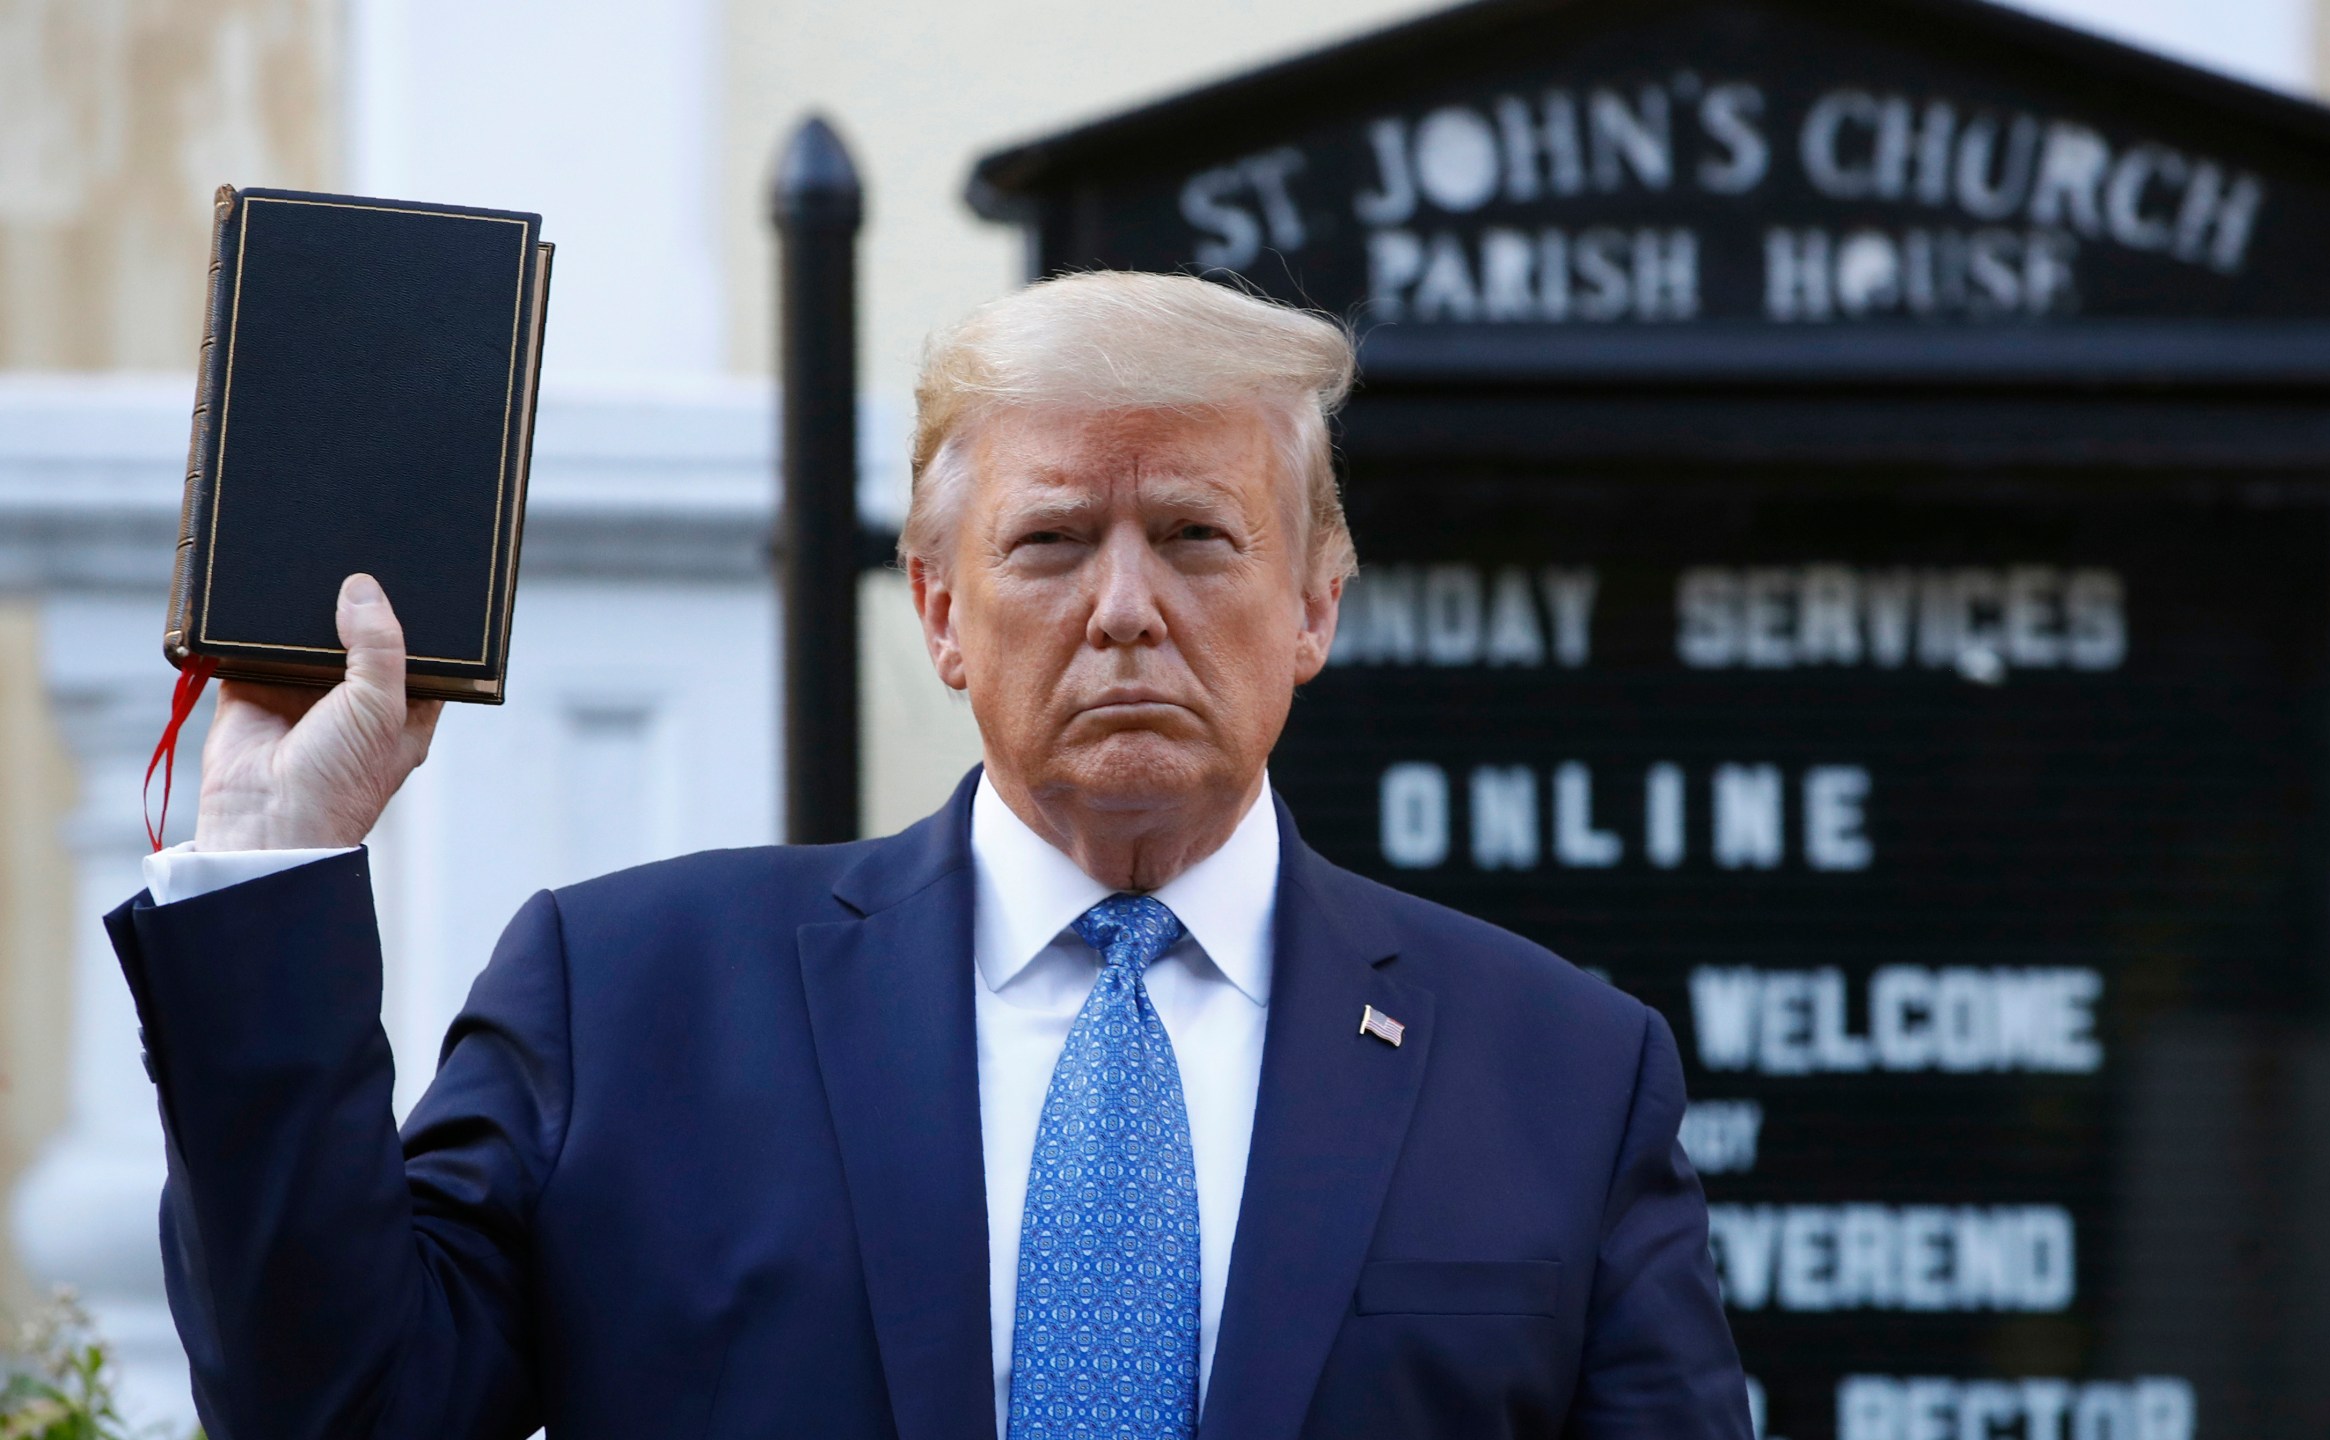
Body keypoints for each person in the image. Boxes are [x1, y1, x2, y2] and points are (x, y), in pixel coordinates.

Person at [108, 272, 1751, 1440]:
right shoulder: (630, 1000)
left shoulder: (1557, 1073)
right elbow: (332, 1408)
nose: (1124, 608)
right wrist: (274, 866)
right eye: (1049, 541)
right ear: (943, 609)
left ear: (1315, 602)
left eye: (1194, 535)